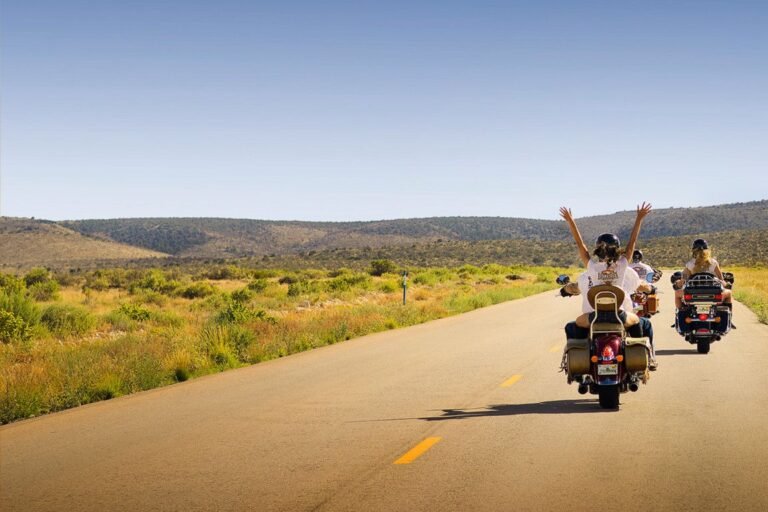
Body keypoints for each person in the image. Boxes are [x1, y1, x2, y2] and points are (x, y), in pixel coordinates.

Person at [559, 203, 657, 367]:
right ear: (618, 250)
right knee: (642, 324)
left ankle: (576, 362)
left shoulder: (592, 268)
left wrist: (570, 221)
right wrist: (639, 218)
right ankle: (645, 359)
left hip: (594, 318)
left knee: (572, 326)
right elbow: (632, 242)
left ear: (597, 250)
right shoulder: (622, 266)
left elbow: (580, 245)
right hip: (620, 316)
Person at [674, 238, 734, 329]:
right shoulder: (713, 263)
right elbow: (721, 279)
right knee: (729, 293)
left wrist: (678, 283)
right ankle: (730, 319)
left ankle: (681, 316)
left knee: (677, 293)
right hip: (713, 295)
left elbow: (683, 281)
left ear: (693, 250)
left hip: (693, 295)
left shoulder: (690, 264)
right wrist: (727, 284)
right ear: (707, 250)